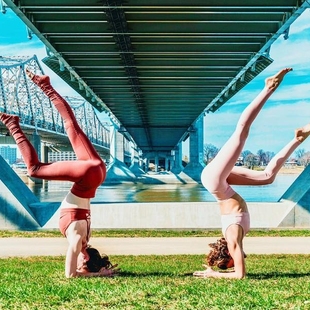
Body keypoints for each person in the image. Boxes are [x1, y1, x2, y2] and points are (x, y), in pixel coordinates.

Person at [0, 69, 119, 278]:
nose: (78, 260)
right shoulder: (77, 238)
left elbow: (79, 266)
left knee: (71, 126)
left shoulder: (85, 236)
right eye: (83, 262)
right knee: (34, 170)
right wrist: (99, 273)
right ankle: (12, 124)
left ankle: (46, 85)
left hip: (98, 170)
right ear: (87, 259)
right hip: (87, 177)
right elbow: (70, 275)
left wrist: (100, 268)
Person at [193, 67, 310, 279]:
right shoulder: (233, 238)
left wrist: (212, 274)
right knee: (268, 177)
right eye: (231, 265)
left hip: (215, 182)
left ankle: (268, 88)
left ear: (227, 255)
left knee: (241, 132)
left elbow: (240, 276)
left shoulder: (232, 238)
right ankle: (298, 138)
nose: (236, 263)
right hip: (221, 183)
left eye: (228, 264)